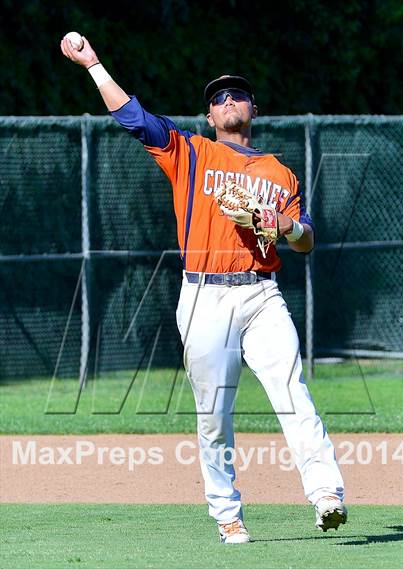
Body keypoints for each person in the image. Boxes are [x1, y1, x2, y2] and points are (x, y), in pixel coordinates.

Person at [61, 35, 347, 544]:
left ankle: (327, 494)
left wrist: (285, 225)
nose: (228, 101)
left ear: (253, 108)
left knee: (291, 390)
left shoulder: (280, 173)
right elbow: (132, 117)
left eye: (237, 94)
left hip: (262, 294)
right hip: (204, 296)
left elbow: (306, 240)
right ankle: (226, 514)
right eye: (218, 98)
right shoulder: (190, 153)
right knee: (213, 413)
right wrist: (94, 64)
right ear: (210, 116)